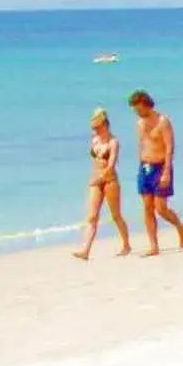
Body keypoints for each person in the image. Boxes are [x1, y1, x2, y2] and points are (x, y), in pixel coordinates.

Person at [129, 90, 183, 256]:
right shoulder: (139, 123)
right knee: (147, 208)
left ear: (147, 105)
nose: (137, 113)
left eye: (139, 109)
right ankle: (153, 246)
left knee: (161, 208)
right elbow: (142, 146)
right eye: (135, 110)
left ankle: (180, 226)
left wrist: (166, 173)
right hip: (145, 167)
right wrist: (140, 168)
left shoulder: (163, 121)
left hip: (161, 166)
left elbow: (170, 148)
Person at [73, 108, 131, 260]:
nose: (95, 130)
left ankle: (126, 244)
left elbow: (111, 164)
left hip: (110, 180)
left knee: (116, 215)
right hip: (95, 180)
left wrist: (103, 175)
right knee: (92, 217)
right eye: (94, 127)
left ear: (105, 125)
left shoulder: (113, 142)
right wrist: (97, 177)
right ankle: (85, 250)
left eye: (98, 127)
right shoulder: (95, 139)